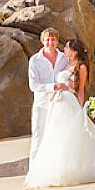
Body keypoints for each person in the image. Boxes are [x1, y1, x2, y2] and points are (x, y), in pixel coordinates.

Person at [24, 38, 95, 189]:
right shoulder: (66, 64)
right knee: (57, 137)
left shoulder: (81, 66)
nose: (64, 49)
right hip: (57, 104)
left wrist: (81, 109)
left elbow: (80, 91)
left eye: (66, 47)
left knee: (73, 136)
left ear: (74, 51)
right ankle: (56, 168)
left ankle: (76, 170)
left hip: (69, 103)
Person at [27, 27, 70, 167]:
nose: (50, 42)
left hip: (61, 103)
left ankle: (57, 167)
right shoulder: (35, 60)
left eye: (53, 39)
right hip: (42, 104)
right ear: (42, 41)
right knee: (38, 136)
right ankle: (34, 170)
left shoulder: (64, 58)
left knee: (60, 136)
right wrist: (53, 87)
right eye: (47, 39)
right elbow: (33, 86)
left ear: (57, 41)